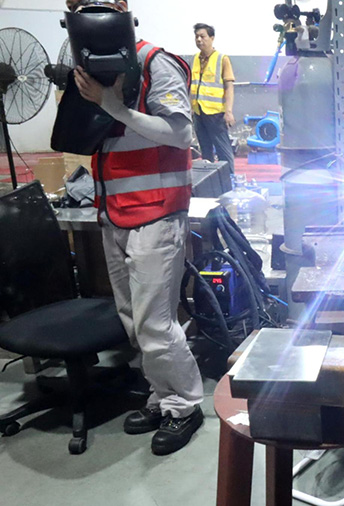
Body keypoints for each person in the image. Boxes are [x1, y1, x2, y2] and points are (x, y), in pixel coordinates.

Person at [69, 0, 204, 455]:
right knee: (134, 322)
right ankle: (161, 396)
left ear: (122, 6)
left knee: (155, 324)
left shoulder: (154, 63)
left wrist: (114, 107)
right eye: (75, 4)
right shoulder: (88, 68)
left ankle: (184, 405)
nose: (84, 10)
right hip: (115, 212)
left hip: (157, 212)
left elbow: (180, 134)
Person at [191, 23, 236, 174]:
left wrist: (228, 112)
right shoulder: (194, 59)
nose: (199, 40)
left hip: (215, 114)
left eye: (202, 36)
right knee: (205, 152)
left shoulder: (222, 59)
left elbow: (229, 87)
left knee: (223, 151)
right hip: (198, 112)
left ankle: (229, 179)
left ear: (212, 38)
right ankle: (209, 180)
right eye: (196, 37)